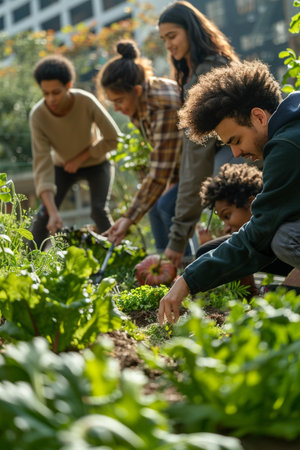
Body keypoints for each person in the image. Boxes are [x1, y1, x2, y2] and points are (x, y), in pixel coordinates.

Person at [158, 59, 300, 324]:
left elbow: (258, 235)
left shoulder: (286, 147)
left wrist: (186, 280)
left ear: (258, 117)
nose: (235, 153)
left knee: (283, 237)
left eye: (235, 141)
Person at [158, 0, 243, 268]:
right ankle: (188, 270)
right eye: (164, 39)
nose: (168, 44)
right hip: (215, 156)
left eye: (172, 36)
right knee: (165, 205)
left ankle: (233, 274)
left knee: (222, 187)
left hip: (237, 153)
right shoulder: (191, 73)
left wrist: (178, 237)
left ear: (191, 30)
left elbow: (198, 153)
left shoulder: (209, 70)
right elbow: (191, 154)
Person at [97, 40, 182, 252]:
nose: (116, 108)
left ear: (136, 90)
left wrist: (128, 218)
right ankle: (165, 274)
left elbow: (160, 171)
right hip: (185, 166)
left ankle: (183, 273)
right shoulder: (140, 105)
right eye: (112, 102)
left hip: (211, 158)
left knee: (167, 205)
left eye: (119, 101)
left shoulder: (161, 106)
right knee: (155, 206)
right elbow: (164, 156)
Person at [29, 54, 120, 249]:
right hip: (62, 168)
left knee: (98, 211)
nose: (51, 99)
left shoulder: (85, 101)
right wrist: (53, 211)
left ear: (68, 85)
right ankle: (28, 268)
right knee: (44, 215)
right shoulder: (38, 116)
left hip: (97, 163)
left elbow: (114, 138)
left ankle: (116, 257)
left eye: (56, 92)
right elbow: (42, 166)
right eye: (45, 93)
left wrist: (81, 158)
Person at [196, 163, 293, 295]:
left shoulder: (286, 228)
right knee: (208, 251)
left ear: (251, 203)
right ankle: (248, 294)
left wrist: (283, 293)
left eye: (227, 215)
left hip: (288, 258)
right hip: (266, 252)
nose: (225, 228)